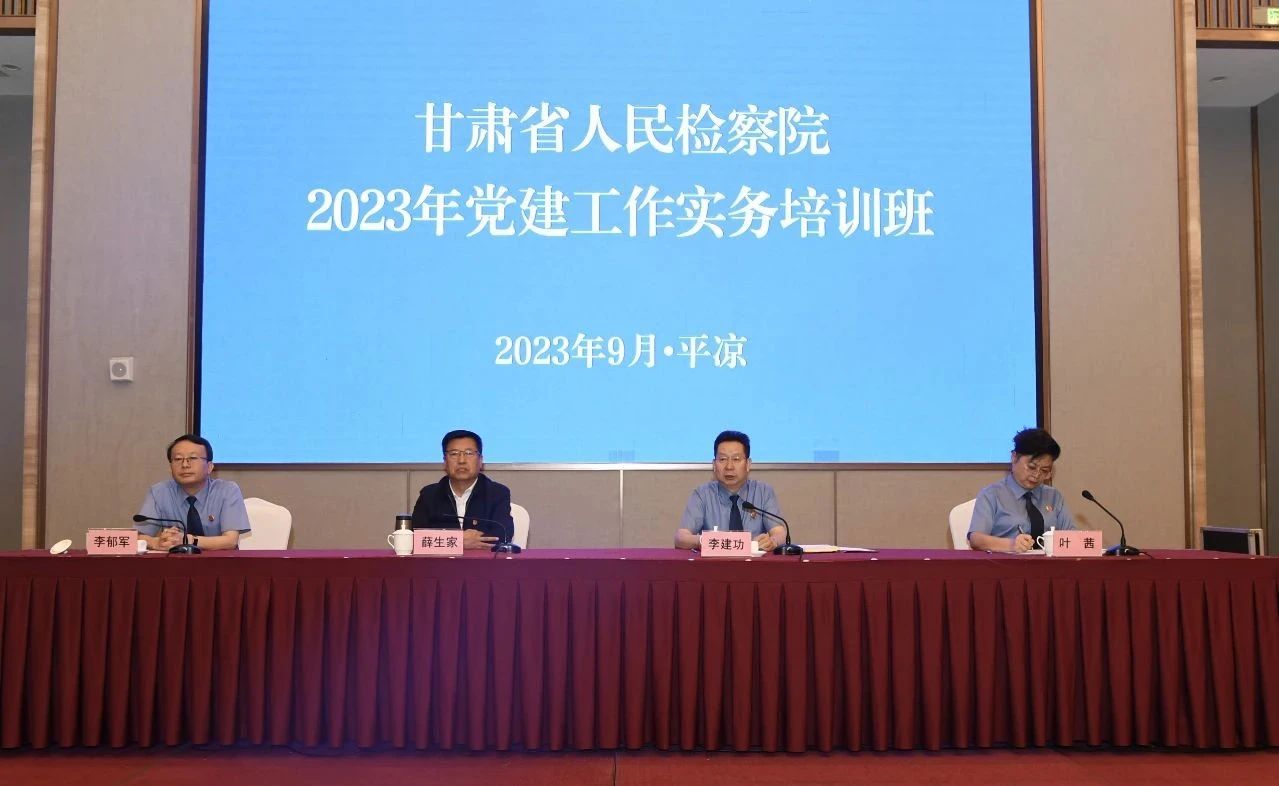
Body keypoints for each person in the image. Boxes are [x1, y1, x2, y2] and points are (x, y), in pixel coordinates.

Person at [967, 427, 1077, 552]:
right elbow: (976, 539)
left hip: (1048, 563)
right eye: (1031, 467)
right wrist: (1011, 545)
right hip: (1005, 562)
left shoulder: (1053, 496)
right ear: (1014, 458)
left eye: (1044, 471)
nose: (1036, 475)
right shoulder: (991, 494)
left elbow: (1072, 537)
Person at [135, 434, 251, 551]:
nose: (185, 465)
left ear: (209, 467)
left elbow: (230, 541)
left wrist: (188, 540)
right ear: (170, 468)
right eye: (178, 459)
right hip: (176, 561)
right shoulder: (159, 493)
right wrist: (156, 543)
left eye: (193, 458)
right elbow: (136, 536)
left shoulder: (227, 490)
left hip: (220, 561)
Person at [675, 430, 787, 551]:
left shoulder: (763, 492)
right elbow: (681, 537)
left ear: (748, 464)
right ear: (714, 465)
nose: (729, 467)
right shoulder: (702, 494)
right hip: (714, 563)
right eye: (722, 459)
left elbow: (780, 533)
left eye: (736, 459)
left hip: (753, 562)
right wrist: (704, 541)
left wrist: (772, 541)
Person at [410, 429, 514, 549]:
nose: (461, 461)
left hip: (482, 560)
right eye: (454, 454)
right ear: (445, 461)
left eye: (469, 453)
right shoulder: (429, 495)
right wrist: (458, 541)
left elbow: (503, 535)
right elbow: (415, 538)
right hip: (440, 561)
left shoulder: (497, 493)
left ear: (481, 460)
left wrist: (449, 541)